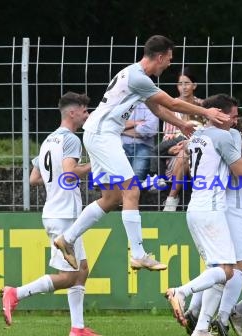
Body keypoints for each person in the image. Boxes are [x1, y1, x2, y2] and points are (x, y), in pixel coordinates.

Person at [52, 35, 229, 272]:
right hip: (104, 135)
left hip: (100, 134)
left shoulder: (135, 75)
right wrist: (206, 112)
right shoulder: (138, 77)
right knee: (131, 189)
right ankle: (138, 254)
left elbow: (157, 107)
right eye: (169, 59)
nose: (169, 64)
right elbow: (172, 103)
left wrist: (181, 125)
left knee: (111, 198)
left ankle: (67, 239)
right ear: (159, 56)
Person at [0, 92, 102, 336]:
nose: (86, 115)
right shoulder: (71, 140)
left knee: (83, 268)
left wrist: (53, 180)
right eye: (84, 111)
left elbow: (34, 179)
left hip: (55, 211)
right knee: (68, 276)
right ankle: (16, 293)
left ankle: (77, 328)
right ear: (72, 112)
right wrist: (95, 164)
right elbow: (69, 173)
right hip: (64, 214)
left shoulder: (48, 140)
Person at [165, 94, 242, 336]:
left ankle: (201, 329)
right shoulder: (223, 136)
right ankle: (181, 292)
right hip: (212, 208)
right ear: (220, 114)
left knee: (218, 270)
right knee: (228, 270)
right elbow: (240, 171)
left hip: (196, 205)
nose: (236, 121)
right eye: (234, 116)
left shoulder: (196, 136)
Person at [160, 67, 206, 211]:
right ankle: (172, 199)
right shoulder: (169, 107)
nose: (184, 87)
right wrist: (178, 146)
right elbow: (167, 138)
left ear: (195, 85)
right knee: (184, 154)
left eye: (187, 83)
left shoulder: (203, 105)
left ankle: (171, 199)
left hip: (201, 150)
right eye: (180, 84)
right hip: (176, 152)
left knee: (187, 153)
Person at [121, 102, 159, 181]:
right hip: (121, 145)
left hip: (144, 146)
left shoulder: (150, 104)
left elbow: (150, 129)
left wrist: (120, 130)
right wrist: (137, 123)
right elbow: (111, 124)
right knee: (120, 177)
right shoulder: (119, 103)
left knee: (137, 176)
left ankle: (133, 193)